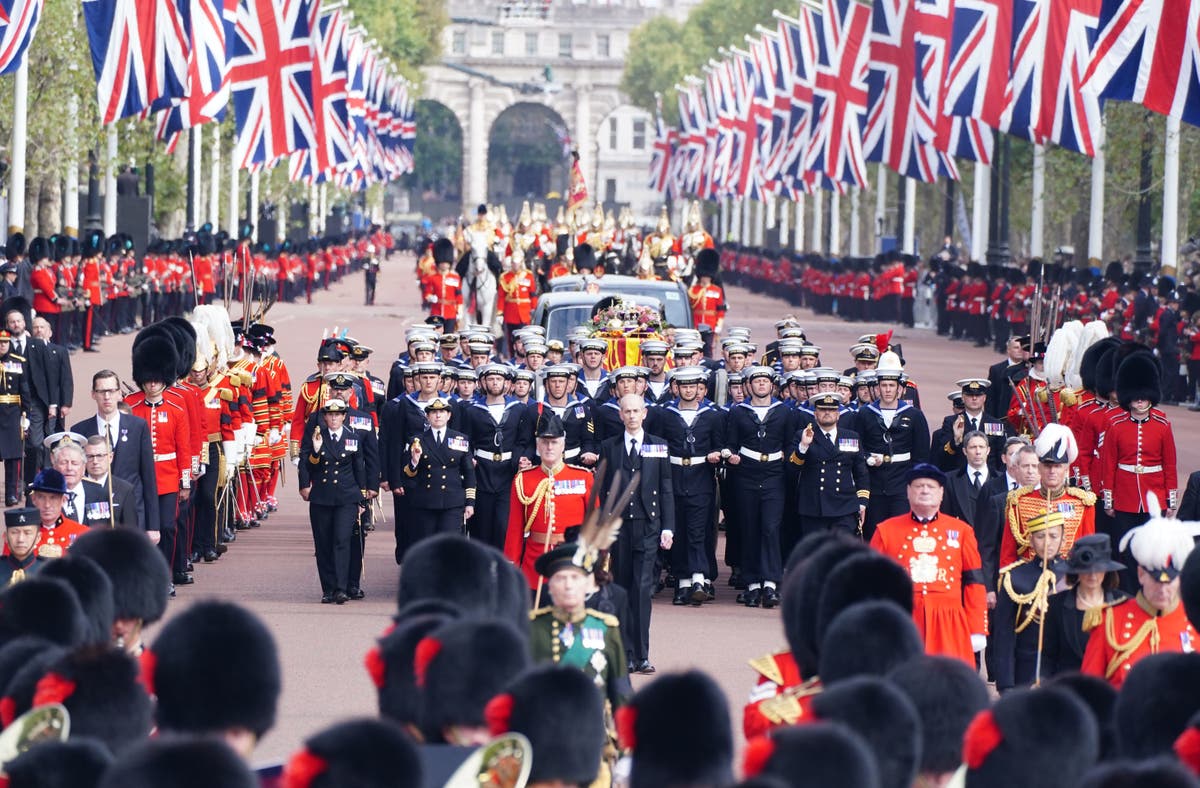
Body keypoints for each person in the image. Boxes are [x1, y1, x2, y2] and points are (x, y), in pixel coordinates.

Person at [869, 463, 987, 665]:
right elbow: (870, 584)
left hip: (949, 622)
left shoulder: (961, 531)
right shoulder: (886, 531)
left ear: (941, 493)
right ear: (908, 492)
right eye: (918, 485)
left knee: (948, 683)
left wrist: (976, 628)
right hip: (903, 621)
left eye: (930, 486)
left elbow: (974, 582)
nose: (924, 490)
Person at [1081, 506, 1197, 687]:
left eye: (1170, 582)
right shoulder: (1110, 621)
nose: (1163, 589)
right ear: (1141, 574)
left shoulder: (1194, 621)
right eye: (1156, 581)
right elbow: (1091, 692)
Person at [601, 393, 674, 673]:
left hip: (648, 525)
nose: (631, 416)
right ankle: (626, 653)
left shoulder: (659, 446)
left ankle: (642, 654)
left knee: (642, 589)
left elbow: (666, 486)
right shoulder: (610, 447)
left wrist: (668, 527)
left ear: (645, 413)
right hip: (619, 527)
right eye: (626, 411)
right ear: (620, 415)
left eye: (636, 411)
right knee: (621, 588)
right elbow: (603, 489)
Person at [1097, 351, 1178, 592]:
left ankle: (1149, 591)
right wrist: (1109, 499)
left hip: (1154, 496)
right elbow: (1109, 463)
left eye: (1144, 397)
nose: (1140, 401)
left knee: (1151, 548)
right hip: (1124, 496)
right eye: (1136, 397)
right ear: (1128, 397)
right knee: (1127, 549)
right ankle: (1129, 591)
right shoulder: (1116, 425)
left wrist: (1170, 499)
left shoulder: (1163, 426)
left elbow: (1169, 464)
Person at [528, 535, 632, 710]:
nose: (568, 585)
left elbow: (621, 690)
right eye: (561, 578)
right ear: (550, 586)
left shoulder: (607, 628)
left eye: (575, 578)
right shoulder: (533, 628)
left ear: (587, 584)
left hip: (595, 730)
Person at [125, 336, 191, 585]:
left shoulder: (175, 409)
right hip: (139, 478)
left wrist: (185, 482)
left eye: (156, 380)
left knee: (167, 528)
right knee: (140, 531)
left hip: (167, 478)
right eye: (148, 380)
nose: (151, 385)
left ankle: (166, 574)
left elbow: (183, 448)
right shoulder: (131, 405)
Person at [724, 366, 791, 608]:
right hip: (746, 474)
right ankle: (752, 583)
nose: (761, 384)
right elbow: (730, 442)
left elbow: (790, 442)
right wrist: (729, 454)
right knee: (750, 527)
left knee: (770, 528)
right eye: (757, 381)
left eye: (765, 380)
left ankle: (771, 583)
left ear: (772, 385)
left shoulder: (784, 411)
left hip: (774, 474)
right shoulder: (738, 412)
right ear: (748, 385)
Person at [505, 412, 594, 589]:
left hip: (572, 561)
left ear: (563, 445)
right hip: (535, 564)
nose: (549, 447)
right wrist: (511, 566)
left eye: (554, 442)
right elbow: (515, 528)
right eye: (545, 442)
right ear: (537, 446)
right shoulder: (523, 480)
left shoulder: (584, 478)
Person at [659, 365, 724, 605]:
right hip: (674, 476)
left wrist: (716, 454)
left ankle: (698, 578)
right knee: (679, 531)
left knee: (698, 531)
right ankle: (683, 581)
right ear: (676, 388)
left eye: (692, 386)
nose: (688, 390)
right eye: (684, 386)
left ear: (699, 388)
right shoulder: (665, 414)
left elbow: (719, 443)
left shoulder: (712, 415)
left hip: (700, 478)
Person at [72, 369, 160, 541]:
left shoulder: (138, 426)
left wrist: (153, 525)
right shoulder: (80, 431)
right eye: (101, 391)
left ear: (120, 394)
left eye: (111, 391)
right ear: (93, 395)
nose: (107, 397)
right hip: (93, 515)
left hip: (132, 511)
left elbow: (148, 476)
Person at [297, 399, 366, 605]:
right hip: (322, 497)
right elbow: (307, 464)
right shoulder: (317, 437)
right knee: (323, 543)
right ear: (325, 417)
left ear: (344, 416)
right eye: (330, 414)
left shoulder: (352, 438)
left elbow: (359, 468)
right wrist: (316, 452)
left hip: (346, 497)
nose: (334, 418)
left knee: (342, 540)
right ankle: (328, 588)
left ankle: (341, 588)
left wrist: (362, 500)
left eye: (338, 415)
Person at [990, 511, 1068, 692]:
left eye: (1053, 536)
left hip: (1065, 672)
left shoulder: (1074, 576)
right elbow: (1004, 635)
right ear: (1031, 541)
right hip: (1025, 672)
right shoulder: (1015, 577)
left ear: (1063, 540)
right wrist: (1005, 684)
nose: (1047, 542)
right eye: (1040, 536)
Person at [1000, 423, 1095, 569]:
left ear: (1066, 469)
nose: (1052, 471)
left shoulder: (1082, 503)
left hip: (1067, 579)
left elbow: (1087, 551)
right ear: (1039, 467)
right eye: (1047, 466)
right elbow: (1008, 553)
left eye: (1057, 466)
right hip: (1027, 582)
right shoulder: (1018, 501)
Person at [857, 355, 930, 539]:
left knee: (902, 535)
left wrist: (915, 486)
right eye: (884, 385)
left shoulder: (914, 416)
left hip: (901, 484)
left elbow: (921, 455)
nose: (887, 390)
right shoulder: (865, 414)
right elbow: (857, 447)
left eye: (891, 385)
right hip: (874, 484)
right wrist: (867, 458)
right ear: (877, 387)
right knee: (874, 535)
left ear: (900, 388)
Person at [1042, 533, 1128, 678]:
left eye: (1098, 569)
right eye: (1087, 570)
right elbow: (1048, 656)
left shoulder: (1123, 604)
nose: (1092, 575)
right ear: (1076, 571)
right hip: (1069, 691)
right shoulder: (1056, 605)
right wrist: (1042, 682)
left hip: (1109, 691)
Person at [792, 392, 870, 537]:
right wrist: (803, 446)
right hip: (814, 508)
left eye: (832, 410)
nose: (827, 413)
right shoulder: (804, 435)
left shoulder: (851, 437)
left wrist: (862, 502)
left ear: (838, 415)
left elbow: (861, 473)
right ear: (815, 414)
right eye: (822, 409)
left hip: (845, 506)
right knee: (816, 555)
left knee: (842, 554)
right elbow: (792, 470)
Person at [398, 398, 475, 544]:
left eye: (442, 412)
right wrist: (414, 461)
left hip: (452, 502)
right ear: (427, 416)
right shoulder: (416, 440)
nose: (438, 415)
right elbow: (407, 474)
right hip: (425, 502)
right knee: (427, 546)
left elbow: (469, 473)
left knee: (449, 546)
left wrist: (470, 502)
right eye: (433, 412)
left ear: (449, 415)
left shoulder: (460, 440)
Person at [932, 378, 1011, 473]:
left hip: (989, 479)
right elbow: (942, 455)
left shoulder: (995, 424)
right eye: (970, 395)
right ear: (963, 397)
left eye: (978, 395)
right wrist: (955, 441)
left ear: (984, 398)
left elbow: (1001, 455)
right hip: (960, 477)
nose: (974, 398)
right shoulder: (951, 421)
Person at [26, 467, 89, 558]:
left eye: (53, 498)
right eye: (41, 497)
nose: (47, 505)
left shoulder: (83, 534)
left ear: (63, 500)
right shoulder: (20, 535)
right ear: (33, 499)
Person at [81, 435, 139, 530]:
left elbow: (130, 530)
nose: (95, 461)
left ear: (110, 457)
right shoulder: (78, 487)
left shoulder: (124, 490)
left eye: (100, 456)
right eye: (90, 456)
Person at [0, 329, 29, 505]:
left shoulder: (18, 362)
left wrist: (26, 414)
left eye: (5, 342)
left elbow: (24, 390)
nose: (2, 345)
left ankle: (11, 494)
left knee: (12, 457)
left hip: (12, 413)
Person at [941, 431, 992, 525]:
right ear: (965, 451)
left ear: (988, 450)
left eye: (981, 447)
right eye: (973, 447)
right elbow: (945, 516)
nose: (978, 452)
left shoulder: (1000, 479)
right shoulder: (950, 480)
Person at [0, 507, 43, 584]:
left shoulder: (49, 573)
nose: (20, 539)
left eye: (27, 533)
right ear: (5, 537)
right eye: (14, 532)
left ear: (38, 538)